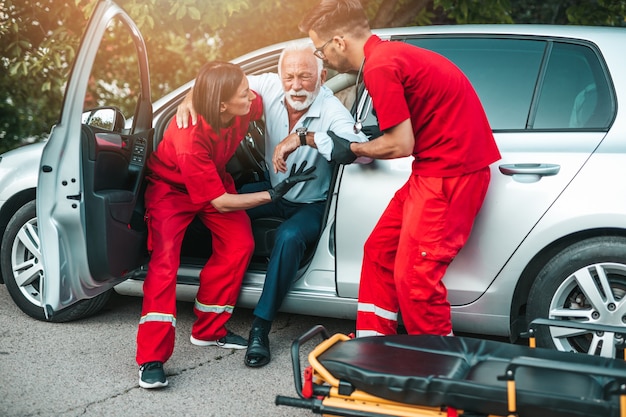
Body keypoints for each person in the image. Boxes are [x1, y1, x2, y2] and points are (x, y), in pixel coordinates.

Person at [299, 0, 502, 338]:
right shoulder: (390, 56)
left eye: (320, 51)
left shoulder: (380, 66)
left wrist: (351, 148)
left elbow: (400, 144)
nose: (324, 59)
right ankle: (373, 343)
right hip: (435, 170)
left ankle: (437, 367)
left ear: (338, 42)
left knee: (415, 278)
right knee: (379, 250)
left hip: (450, 176)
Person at [176, 42, 369, 368]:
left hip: (312, 203)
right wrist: (188, 100)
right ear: (278, 76)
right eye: (289, 76)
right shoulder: (266, 87)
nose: (296, 85)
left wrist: (306, 138)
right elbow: (217, 87)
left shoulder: (333, 110)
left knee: (289, 237)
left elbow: (360, 152)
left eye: (305, 77)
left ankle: (260, 328)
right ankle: (206, 292)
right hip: (273, 190)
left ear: (322, 76)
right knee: (213, 213)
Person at [137, 61, 316, 389]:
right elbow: (220, 203)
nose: (252, 96)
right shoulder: (188, 138)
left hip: (213, 180)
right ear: (222, 104)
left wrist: (192, 93)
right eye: (244, 93)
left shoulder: (243, 107)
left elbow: (264, 94)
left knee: (240, 244)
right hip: (171, 190)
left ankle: (208, 330)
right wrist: (272, 193)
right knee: (164, 265)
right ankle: (151, 357)